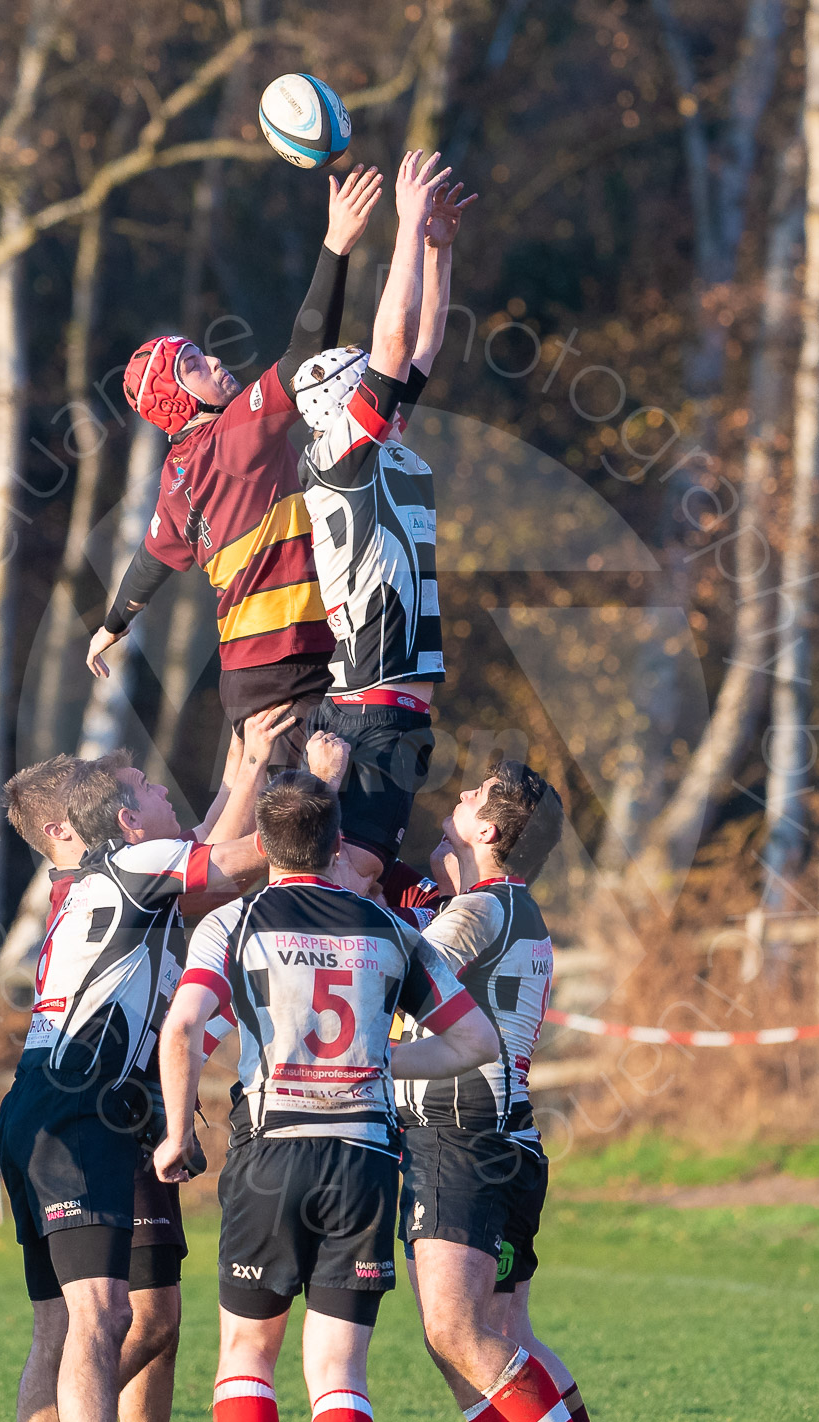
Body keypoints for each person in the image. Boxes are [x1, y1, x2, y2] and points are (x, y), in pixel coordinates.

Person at [152, 770, 499, 1422]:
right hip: (364, 1157)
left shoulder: (232, 923)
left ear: (262, 847)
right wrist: (379, 1060)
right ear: (338, 844)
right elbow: (474, 1041)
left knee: (248, 1350)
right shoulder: (391, 930)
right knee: (339, 1367)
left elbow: (183, 1028)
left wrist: (177, 1133)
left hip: (270, 1151)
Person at [0, 711, 312, 1422]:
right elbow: (246, 858)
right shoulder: (133, 867)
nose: (161, 786)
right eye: (141, 789)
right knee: (103, 1318)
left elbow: (210, 843)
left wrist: (248, 763)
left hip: (40, 1102)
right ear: (117, 822)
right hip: (86, 1109)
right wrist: (325, 794)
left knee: (66, 1327)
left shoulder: (96, 884)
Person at [85, 166, 383, 765]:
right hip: (289, 660)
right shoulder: (233, 433)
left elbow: (148, 563)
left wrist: (112, 623)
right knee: (313, 832)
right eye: (194, 363)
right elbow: (305, 354)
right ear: (177, 399)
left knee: (282, 824)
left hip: (247, 672)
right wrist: (337, 246)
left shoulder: (173, 481)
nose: (216, 361)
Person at [398, 762, 629, 1422]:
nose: (458, 798)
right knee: (499, 1334)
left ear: (489, 832)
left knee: (455, 1333)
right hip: (510, 1139)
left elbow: (401, 978)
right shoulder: (516, 910)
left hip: (456, 1136)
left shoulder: (477, 913)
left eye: (471, 798)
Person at [292, 150, 476, 883]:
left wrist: (438, 248)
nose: (386, 376)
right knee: (351, 874)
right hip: (371, 707)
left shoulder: (378, 442)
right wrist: (402, 229)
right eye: (365, 371)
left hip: (384, 706)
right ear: (342, 404)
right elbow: (398, 344)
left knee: (360, 871)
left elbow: (423, 340)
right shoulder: (340, 454)